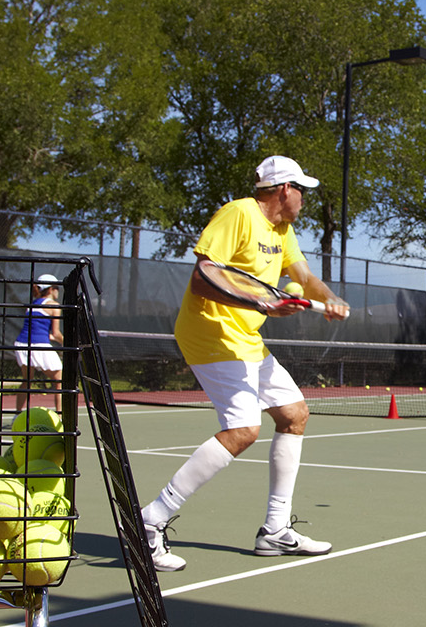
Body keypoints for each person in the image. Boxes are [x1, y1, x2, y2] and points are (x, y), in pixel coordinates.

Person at [139, 156, 351, 571]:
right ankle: (149, 520)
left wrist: (330, 298)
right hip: (211, 332)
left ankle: (275, 531)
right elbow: (202, 276)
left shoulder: (283, 230)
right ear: (284, 189)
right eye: (301, 189)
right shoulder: (239, 213)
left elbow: (305, 278)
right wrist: (260, 303)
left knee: (294, 414)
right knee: (243, 430)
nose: (304, 198)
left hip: (245, 337)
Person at [13, 274, 64, 415]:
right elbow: (56, 334)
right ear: (51, 289)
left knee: (27, 381)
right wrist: (69, 344)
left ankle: (17, 415)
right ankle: (60, 417)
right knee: (60, 381)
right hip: (38, 346)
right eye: (57, 288)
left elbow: (37, 328)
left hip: (22, 344)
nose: (58, 291)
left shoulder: (33, 304)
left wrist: (50, 337)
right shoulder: (54, 306)